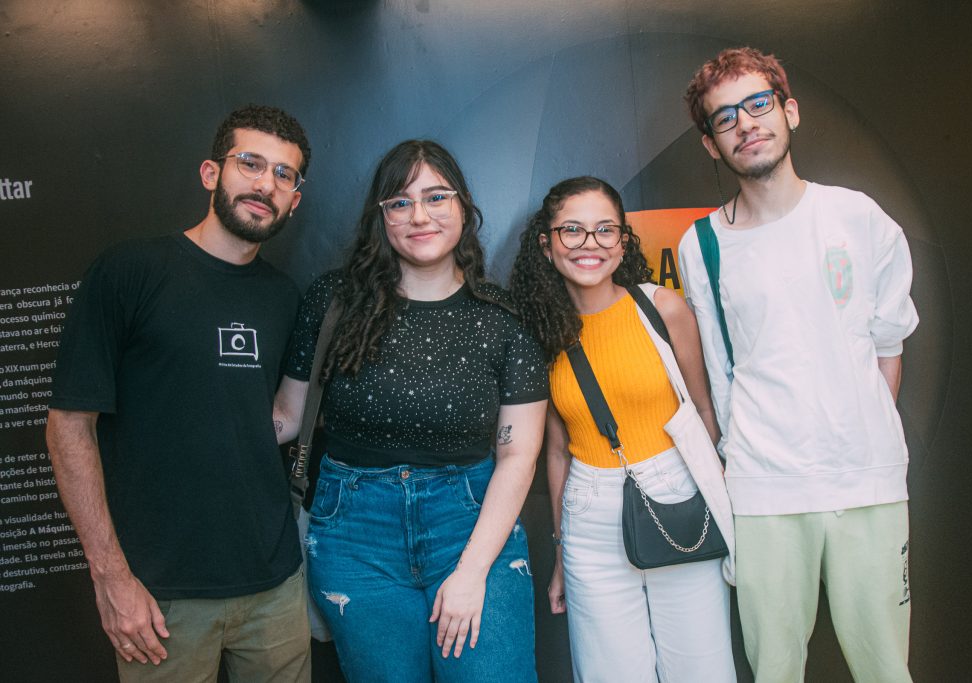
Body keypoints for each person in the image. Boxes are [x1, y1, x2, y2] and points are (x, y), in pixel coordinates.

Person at [46, 104, 313, 682]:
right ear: (210, 173)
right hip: (160, 597)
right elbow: (69, 425)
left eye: (283, 175)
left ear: (295, 198)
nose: (265, 183)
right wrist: (111, 576)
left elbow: (266, 420)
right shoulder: (128, 272)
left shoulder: (284, 296)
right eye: (250, 163)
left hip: (274, 587)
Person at [680, 47, 919, 682]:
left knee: (885, 669)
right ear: (711, 144)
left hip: (865, 480)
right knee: (776, 671)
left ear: (789, 111)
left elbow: (887, 345)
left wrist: (855, 428)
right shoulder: (700, 245)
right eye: (725, 117)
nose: (746, 123)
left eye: (758, 105)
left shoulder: (856, 216)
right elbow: (718, 368)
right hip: (764, 489)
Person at [273, 139, 547, 683]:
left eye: (436, 197)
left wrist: (471, 573)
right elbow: (285, 417)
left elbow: (518, 454)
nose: (418, 215)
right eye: (399, 202)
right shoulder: (333, 301)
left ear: (463, 206)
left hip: (470, 527)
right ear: (382, 218)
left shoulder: (503, 318)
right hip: (354, 533)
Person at [509, 176, 737, 683]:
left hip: (676, 495)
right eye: (572, 231)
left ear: (622, 241)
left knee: (701, 670)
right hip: (588, 516)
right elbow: (558, 451)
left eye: (604, 230)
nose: (590, 244)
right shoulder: (543, 334)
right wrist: (563, 552)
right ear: (546, 246)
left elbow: (703, 413)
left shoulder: (663, 308)